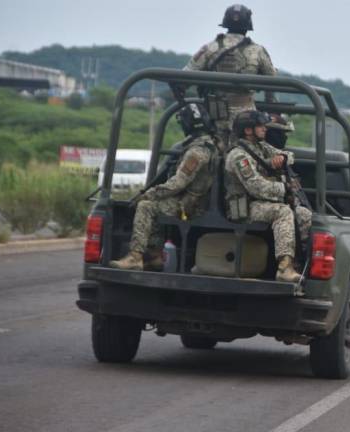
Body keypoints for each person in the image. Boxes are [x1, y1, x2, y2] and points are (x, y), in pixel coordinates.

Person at [110, 104, 220, 271]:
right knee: (159, 204)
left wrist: (149, 194)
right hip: (195, 202)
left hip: (190, 206)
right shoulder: (209, 145)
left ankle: (135, 257)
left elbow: (178, 183)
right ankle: (154, 256)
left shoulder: (196, 151)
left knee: (146, 206)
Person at [224, 110, 312, 283]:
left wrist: (282, 157)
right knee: (283, 212)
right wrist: (284, 188)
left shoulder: (260, 146)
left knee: (304, 214)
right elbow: (256, 187)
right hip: (245, 207)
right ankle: (284, 268)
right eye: (260, 126)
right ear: (248, 130)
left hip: (261, 204)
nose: (265, 129)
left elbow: (290, 155)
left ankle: (299, 265)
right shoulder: (238, 156)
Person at [185, 4, 277, 144]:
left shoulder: (210, 47)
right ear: (248, 25)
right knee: (247, 153)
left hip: (214, 114)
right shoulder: (257, 51)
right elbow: (272, 80)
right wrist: (271, 108)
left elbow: (186, 75)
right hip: (246, 119)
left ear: (225, 23)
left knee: (211, 151)